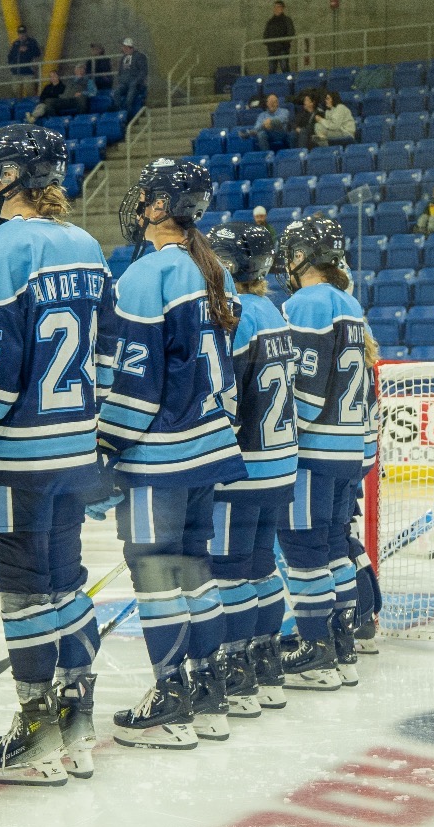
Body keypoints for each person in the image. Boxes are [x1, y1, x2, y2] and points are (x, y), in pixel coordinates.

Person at [0, 123, 113, 786]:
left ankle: (37, 730)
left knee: (23, 588)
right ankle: (79, 719)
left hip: (17, 455)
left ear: (13, 177)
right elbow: (106, 355)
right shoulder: (87, 245)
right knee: (67, 579)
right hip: (77, 446)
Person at [100, 158, 247, 748]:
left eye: (146, 197)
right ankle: (206, 692)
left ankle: (171, 697)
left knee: (157, 574)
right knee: (194, 567)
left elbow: (137, 380)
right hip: (208, 446)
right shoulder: (216, 273)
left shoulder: (146, 275)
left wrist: (107, 443)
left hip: (159, 455)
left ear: (160, 207)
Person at [274, 214, 375, 690]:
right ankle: (340, 645)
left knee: (304, 550)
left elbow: (308, 393)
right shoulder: (349, 303)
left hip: (312, 453)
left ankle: (315, 652)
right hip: (347, 450)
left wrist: (272, 433)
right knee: (335, 546)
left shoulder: (307, 302)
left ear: (300, 258)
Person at [205, 222, 297, 716]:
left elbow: (226, 397)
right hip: (281, 465)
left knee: (228, 572)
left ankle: (237, 673)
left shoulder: (236, 315)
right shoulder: (275, 312)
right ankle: (266, 667)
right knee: (261, 566)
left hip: (242, 472)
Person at [113, 38, 150, 120]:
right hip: (124, 83)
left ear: (129, 47)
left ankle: (129, 116)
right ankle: (120, 113)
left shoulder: (140, 56)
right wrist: (120, 80)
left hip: (135, 84)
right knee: (116, 92)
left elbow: (143, 71)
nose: (123, 49)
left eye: (124, 47)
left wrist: (136, 81)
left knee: (129, 98)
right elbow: (120, 71)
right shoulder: (123, 58)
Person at [263, 1, 297, 74]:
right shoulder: (270, 21)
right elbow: (265, 34)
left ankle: (287, 82)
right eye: (275, 7)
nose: (276, 9)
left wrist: (283, 42)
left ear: (282, 8)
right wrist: (268, 43)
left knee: (284, 67)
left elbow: (291, 32)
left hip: (283, 48)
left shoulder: (287, 20)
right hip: (272, 48)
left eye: (278, 7)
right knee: (272, 68)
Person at [7, 25, 43, 93]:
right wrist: (12, 66)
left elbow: (38, 53)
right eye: (20, 33)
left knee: (29, 89)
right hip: (16, 72)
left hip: (28, 71)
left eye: (23, 33)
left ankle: (30, 103)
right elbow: (10, 55)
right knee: (16, 91)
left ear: (26, 33)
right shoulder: (15, 43)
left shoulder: (32, 42)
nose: (22, 35)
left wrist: (28, 50)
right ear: (18, 34)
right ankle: (18, 103)